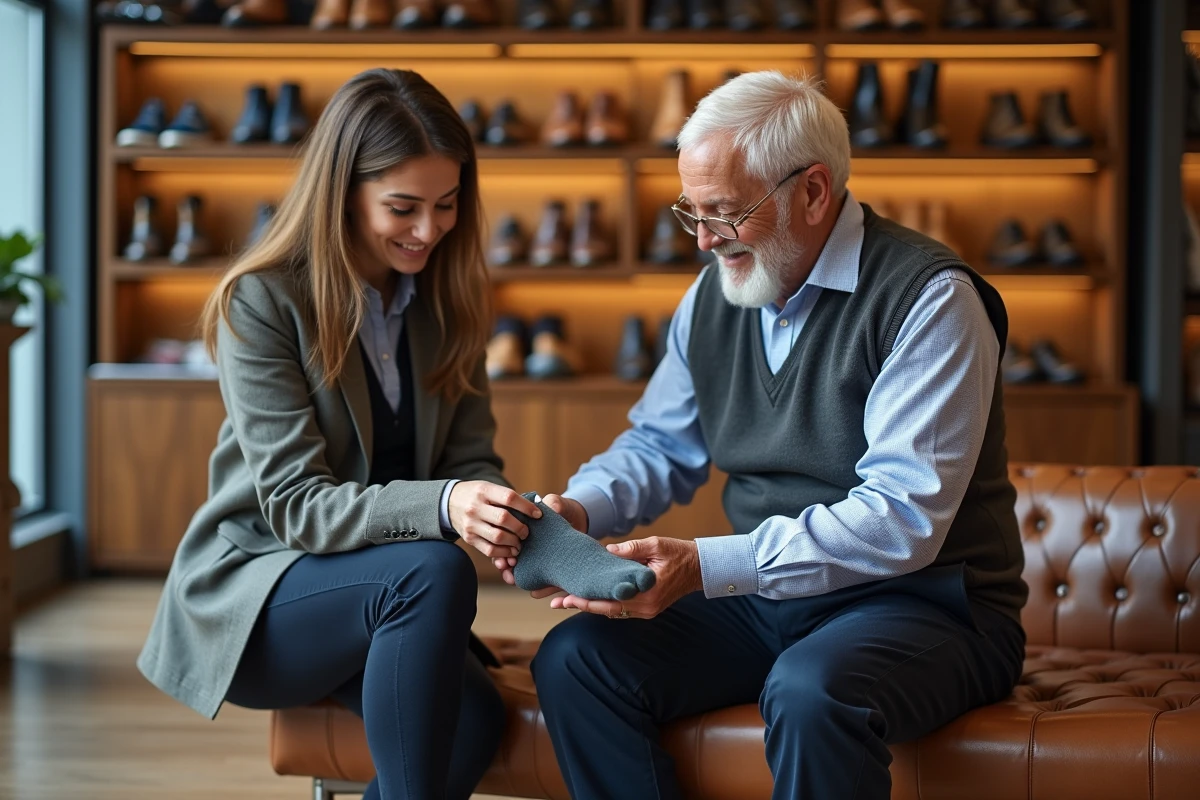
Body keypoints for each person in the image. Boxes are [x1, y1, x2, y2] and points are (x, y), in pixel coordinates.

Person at [509, 71, 1029, 799]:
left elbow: (901, 518)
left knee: (812, 693)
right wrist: (581, 509)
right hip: (772, 597)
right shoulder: (714, 296)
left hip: (929, 607)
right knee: (577, 660)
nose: (703, 240)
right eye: (691, 213)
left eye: (725, 213)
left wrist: (705, 564)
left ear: (813, 191)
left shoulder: (931, 297)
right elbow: (660, 445)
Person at [137, 68, 543, 800]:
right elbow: (296, 505)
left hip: (384, 593)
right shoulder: (262, 301)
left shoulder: (450, 302)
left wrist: (506, 514)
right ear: (343, 194)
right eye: (403, 208)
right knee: (432, 569)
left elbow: (470, 459)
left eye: (447, 205)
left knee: (476, 724)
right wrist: (446, 506)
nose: (429, 230)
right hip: (261, 596)